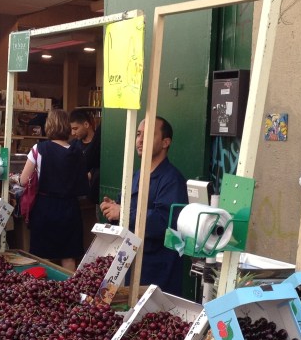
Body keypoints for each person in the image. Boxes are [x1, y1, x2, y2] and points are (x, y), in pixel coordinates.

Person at [100, 117, 187, 295]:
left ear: (165, 142)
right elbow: (126, 209)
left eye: (147, 135)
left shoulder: (172, 179)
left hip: (158, 272)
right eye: (139, 134)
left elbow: (163, 223)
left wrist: (122, 213)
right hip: (131, 264)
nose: (140, 140)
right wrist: (113, 208)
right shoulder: (136, 175)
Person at [19, 109, 88, 270]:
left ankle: (42, 290)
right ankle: (68, 291)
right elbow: (83, 185)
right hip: (70, 208)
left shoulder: (39, 149)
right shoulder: (78, 152)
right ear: (67, 127)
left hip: (44, 207)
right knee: (68, 255)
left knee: (42, 256)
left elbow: (23, 180)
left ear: (48, 126)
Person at [69, 109, 101, 203]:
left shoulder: (100, 144)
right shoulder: (73, 145)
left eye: (75, 129)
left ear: (86, 125)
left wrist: (92, 172)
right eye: (71, 129)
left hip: (96, 196)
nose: (73, 133)